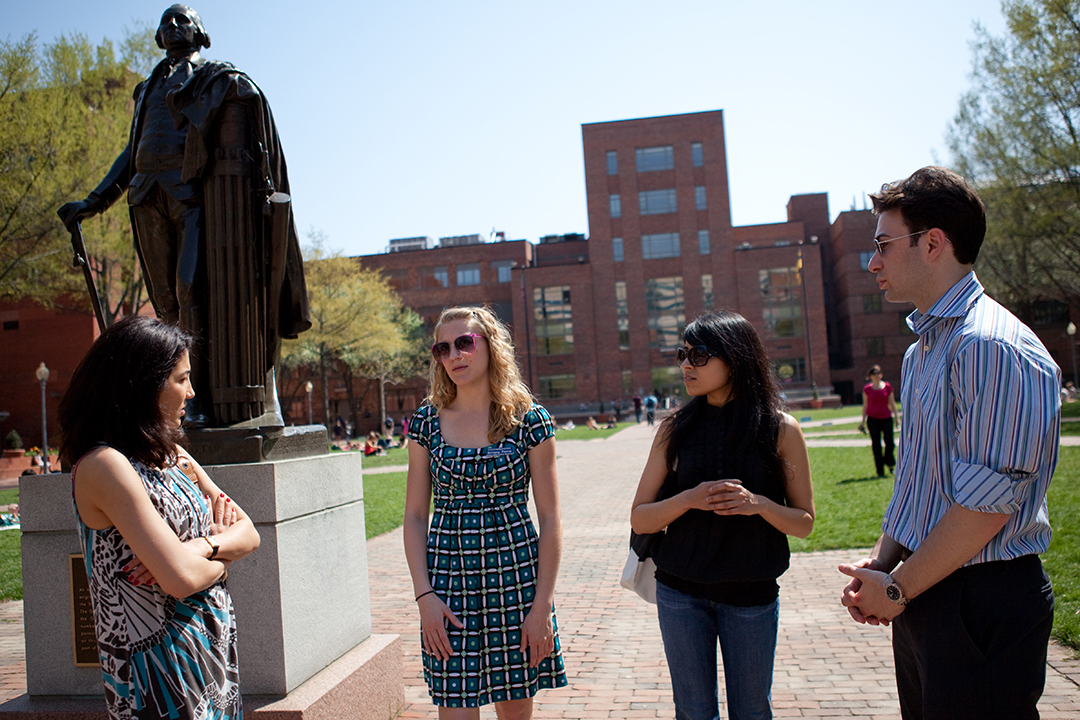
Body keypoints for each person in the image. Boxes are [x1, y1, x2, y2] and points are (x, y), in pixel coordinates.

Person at [839, 167, 1060, 719]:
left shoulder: (989, 346)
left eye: (884, 245)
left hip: (979, 601)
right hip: (927, 588)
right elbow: (918, 479)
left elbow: (982, 509)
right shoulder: (924, 351)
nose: (874, 262)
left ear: (933, 243)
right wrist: (884, 564)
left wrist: (895, 589)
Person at [58, 4, 310, 428]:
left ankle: (197, 398)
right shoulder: (146, 88)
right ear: (158, 36)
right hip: (145, 197)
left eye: (182, 20)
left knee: (190, 287)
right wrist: (95, 201)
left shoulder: (215, 79)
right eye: (166, 21)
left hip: (190, 197)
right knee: (166, 303)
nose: (173, 26)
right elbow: (132, 153)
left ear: (200, 32)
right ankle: (174, 399)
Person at [58, 315, 260, 720]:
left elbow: (250, 532)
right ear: (144, 384)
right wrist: (221, 565)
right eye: (181, 379)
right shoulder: (105, 466)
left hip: (212, 649)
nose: (192, 391)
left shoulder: (175, 457)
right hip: (158, 673)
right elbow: (180, 580)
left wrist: (201, 547)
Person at [631, 311, 815, 720]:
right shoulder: (674, 429)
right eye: (683, 354)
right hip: (679, 593)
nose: (685, 365)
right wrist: (689, 498)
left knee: (751, 712)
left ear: (735, 359)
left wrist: (760, 505)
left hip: (751, 596)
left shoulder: (780, 429)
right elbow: (641, 518)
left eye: (698, 355)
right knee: (693, 712)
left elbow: (804, 523)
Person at [403, 306, 567, 717]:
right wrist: (424, 597)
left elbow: (549, 519)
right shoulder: (426, 422)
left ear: (490, 346)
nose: (455, 355)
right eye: (443, 347)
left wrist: (541, 605)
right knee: (455, 708)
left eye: (465, 343)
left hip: (515, 583)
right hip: (448, 587)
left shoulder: (529, 420)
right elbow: (414, 517)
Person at [858, 365, 898, 477]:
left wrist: (897, 418)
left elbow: (892, 403)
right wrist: (862, 422)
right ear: (870, 376)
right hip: (873, 419)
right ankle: (879, 471)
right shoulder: (867, 389)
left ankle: (890, 464)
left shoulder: (887, 387)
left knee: (890, 443)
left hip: (886, 418)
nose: (876, 375)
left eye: (878, 373)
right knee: (876, 445)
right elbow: (865, 406)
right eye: (874, 373)